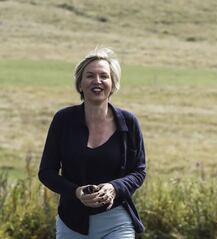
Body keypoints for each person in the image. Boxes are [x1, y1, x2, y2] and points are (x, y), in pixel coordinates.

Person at [38, 47, 146, 238]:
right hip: (72, 223)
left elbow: (139, 171)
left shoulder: (129, 123)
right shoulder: (63, 120)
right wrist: (76, 192)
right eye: (90, 76)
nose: (97, 81)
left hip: (117, 222)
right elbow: (46, 172)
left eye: (104, 76)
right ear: (80, 84)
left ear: (113, 84)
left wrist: (114, 187)